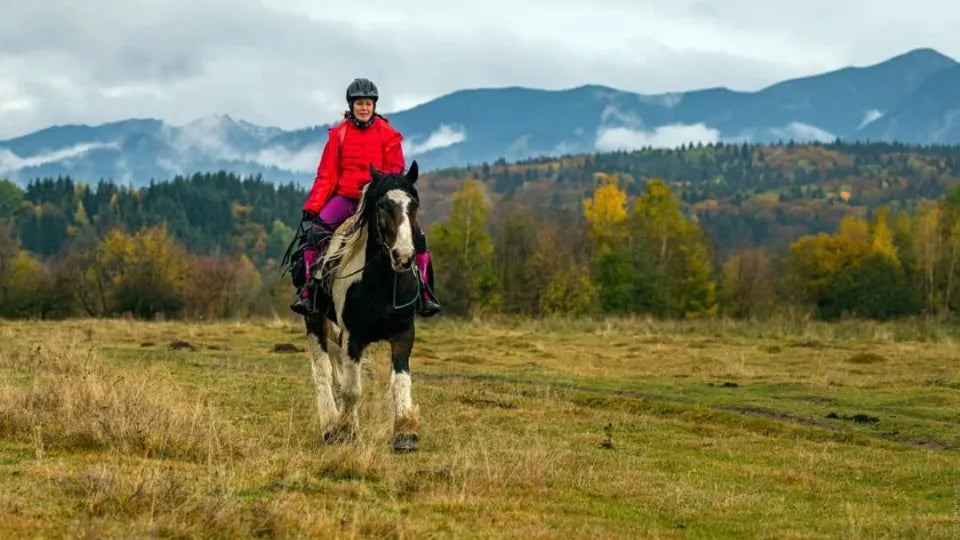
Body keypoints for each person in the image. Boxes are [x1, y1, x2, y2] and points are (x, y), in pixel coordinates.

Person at [291, 77, 440, 317]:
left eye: (368, 103)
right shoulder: (338, 135)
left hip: (377, 200)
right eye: (359, 103)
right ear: (351, 106)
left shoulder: (389, 135)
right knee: (316, 233)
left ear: (374, 106)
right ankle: (309, 291)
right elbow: (327, 175)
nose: (364, 108)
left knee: (417, 238)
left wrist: (381, 195)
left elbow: (394, 170)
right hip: (346, 197)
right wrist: (314, 205)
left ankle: (424, 293)